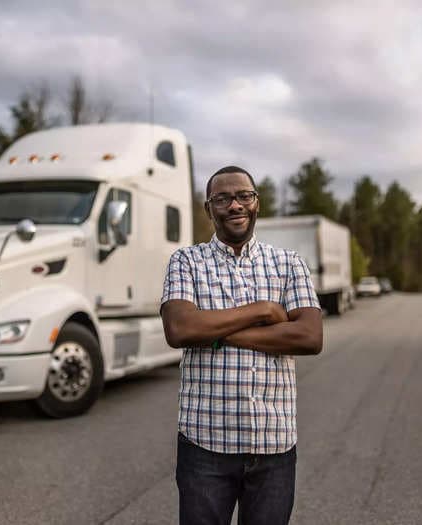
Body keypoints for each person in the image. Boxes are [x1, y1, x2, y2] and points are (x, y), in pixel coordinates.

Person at [160, 166, 323, 525]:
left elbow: (309, 337)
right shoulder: (186, 262)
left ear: (256, 203)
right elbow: (179, 328)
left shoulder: (288, 264)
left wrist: (215, 329)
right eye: (223, 198)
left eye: (243, 196)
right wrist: (264, 310)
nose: (235, 205)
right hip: (205, 445)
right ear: (209, 209)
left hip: (274, 447)